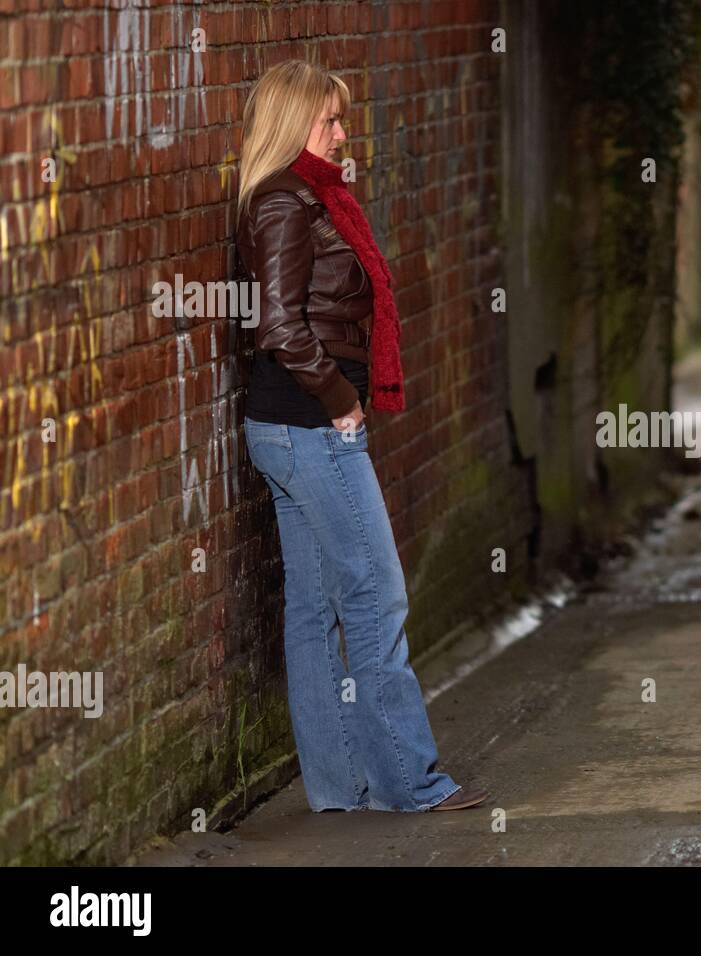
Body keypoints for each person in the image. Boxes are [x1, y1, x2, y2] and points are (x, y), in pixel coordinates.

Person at [234, 59, 488, 813]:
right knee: (376, 595)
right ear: (295, 125)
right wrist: (343, 398)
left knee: (314, 610)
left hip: (285, 426)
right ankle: (410, 782)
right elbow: (280, 323)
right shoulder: (287, 200)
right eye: (331, 121)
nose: (345, 133)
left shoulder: (306, 196)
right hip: (310, 426)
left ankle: (342, 787)